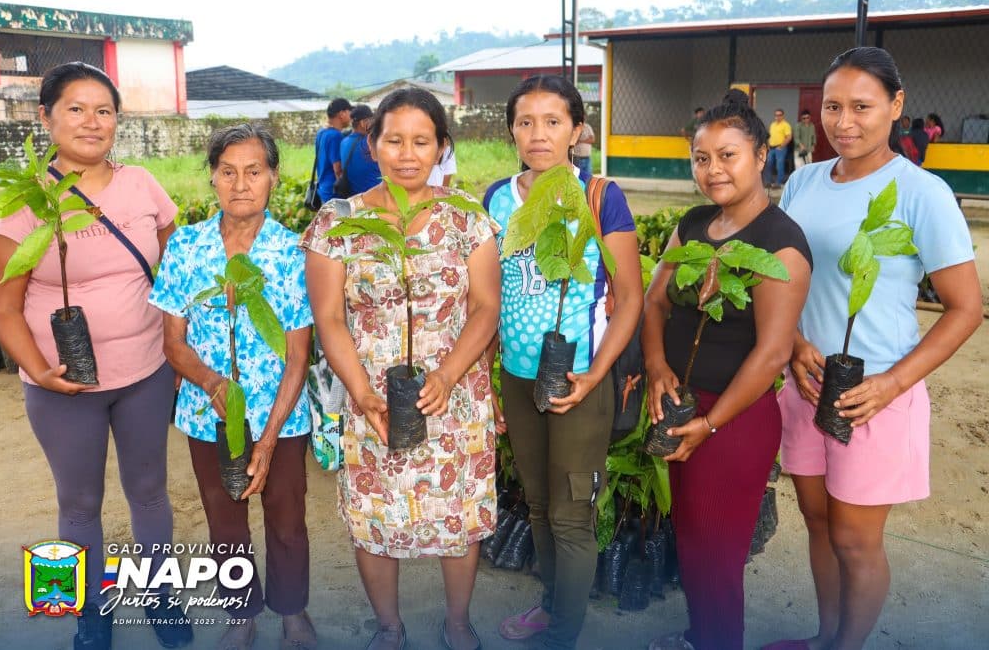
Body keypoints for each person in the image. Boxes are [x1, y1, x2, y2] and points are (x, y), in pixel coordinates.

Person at [765, 47, 982, 650]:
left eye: (862, 107)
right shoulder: (803, 181)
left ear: (897, 106)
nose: (844, 122)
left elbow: (965, 309)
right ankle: (824, 636)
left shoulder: (922, 193)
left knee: (856, 541)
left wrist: (891, 385)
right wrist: (794, 345)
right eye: (832, 107)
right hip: (804, 384)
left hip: (874, 397)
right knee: (817, 523)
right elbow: (781, 283)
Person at [0, 61, 191, 650]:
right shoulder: (23, 202)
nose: (92, 122)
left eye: (104, 111)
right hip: (61, 386)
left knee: (150, 490)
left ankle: (160, 599)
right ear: (46, 117)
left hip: (145, 373)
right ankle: (87, 614)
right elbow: (4, 307)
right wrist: (40, 372)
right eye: (76, 108)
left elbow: (175, 271)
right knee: (78, 503)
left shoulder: (142, 185)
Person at [303, 88, 501, 650]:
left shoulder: (467, 218)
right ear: (372, 143)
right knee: (373, 515)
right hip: (373, 397)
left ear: (442, 147)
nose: (407, 154)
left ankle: (457, 622)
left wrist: (447, 376)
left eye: (422, 141)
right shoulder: (337, 222)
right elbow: (330, 319)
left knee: (459, 515)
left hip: (455, 395)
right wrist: (363, 395)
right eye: (394, 140)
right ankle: (389, 626)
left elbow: (486, 306)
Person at [642, 91, 813, 650]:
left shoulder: (780, 243)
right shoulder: (693, 225)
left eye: (728, 155)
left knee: (717, 551)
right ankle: (702, 635)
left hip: (733, 420)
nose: (712, 170)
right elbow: (654, 302)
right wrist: (657, 364)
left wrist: (710, 425)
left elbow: (771, 355)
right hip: (684, 404)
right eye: (701, 158)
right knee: (692, 539)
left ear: (762, 155)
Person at [488, 75, 643, 650]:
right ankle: (551, 606)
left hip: (581, 378)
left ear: (577, 129)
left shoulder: (600, 195)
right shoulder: (498, 198)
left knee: (571, 512)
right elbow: (491, 297)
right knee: (536, 504)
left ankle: (563, 634)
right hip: (517, 376)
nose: (538, 134)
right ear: (510, 129)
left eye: (553, 121)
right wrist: (488, 374)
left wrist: (596, 374)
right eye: (525, 122)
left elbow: (630, 296)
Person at [150, 124, 317, 650]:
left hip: (281, 415)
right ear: (212, 179)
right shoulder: (186, 245)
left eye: (253, 172)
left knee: (287, 516)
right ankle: (240, 612)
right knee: (224, 519)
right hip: (208, 414)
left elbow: (296, 354)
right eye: (227, 172)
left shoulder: (293, 251)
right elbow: (172, 342)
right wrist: (212, 383)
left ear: (273, 178)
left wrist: (268, 439)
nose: (240, 184)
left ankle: (292, 613)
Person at [316, 97, 352, 202]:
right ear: (342, 114)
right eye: (349, 112)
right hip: (334, 193)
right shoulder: (335, 136)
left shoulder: (321, 132)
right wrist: (345, 192)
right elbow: (338, 169)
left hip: (323, 189)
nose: (351, 116)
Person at [341, 104, 383, 193]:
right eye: (371, 120)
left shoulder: (343, 142)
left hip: (356, 198)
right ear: (363, 123)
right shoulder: (370, 142)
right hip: (376, 198)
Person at [765, 108, 793, 187]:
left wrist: (781, 146)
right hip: (771, 148)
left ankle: (778, 183)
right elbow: (769, 136)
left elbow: (789, 137)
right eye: (776, 115)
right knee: (768, 164)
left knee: (779, 165)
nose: (778, 117)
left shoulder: (786, 125)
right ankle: (769, 182)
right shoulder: (772, 124)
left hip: (780, 148)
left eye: (780, 115)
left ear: (783, 116)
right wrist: (768, 145)